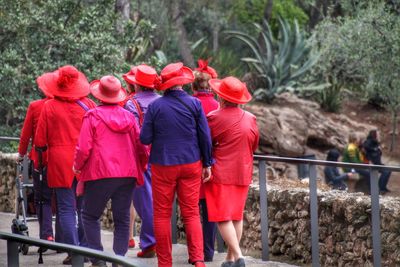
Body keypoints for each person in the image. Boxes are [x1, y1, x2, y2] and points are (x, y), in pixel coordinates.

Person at [140, 62, 213, 267]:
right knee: (191, 212)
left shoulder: (155, 106)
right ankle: (198, 259)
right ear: (182, 83)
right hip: (191, 163)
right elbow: (204, 136)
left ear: (165, 83)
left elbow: (145, 138)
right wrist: (207, 163)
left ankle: (165, 263)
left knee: (162, 214)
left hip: (163, 164)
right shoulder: (194, 104)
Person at [73, 75, 148, 267]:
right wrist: (141, 165)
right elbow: (141, 145)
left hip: (100, 173)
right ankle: (119, 259)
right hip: (127, 174)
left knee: (90, 215)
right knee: (122, 219)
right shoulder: (129, 117)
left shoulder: (92, 116)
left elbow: (83, 148)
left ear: (99, 96)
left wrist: (77, 166)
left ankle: (97, 260)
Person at [35, 65, 96, 264]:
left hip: (59, 161)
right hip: (85, 160)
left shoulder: (49, 107)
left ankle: (73, 252)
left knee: (66, 208)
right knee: (85, 208)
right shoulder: (88, 105)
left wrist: (41, 162)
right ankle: (86, 249)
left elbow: (40, 141)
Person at [204, 76, 259, 267]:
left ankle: (238, 256)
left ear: (221, 97)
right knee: (236, 215)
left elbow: (205, 144)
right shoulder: (251, 119)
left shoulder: (213, 118)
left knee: (222, 216)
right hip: (243, 171)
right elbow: (254, 144)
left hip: (221, 172)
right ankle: (229, 259)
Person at [124, 64, 160, 258]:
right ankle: (156, 241)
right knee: (158, 199)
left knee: (144, 200)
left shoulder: (130, 103)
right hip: (162, 155)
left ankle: (149, 243)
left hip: (139, 156)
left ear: (136, 84)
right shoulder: (162, 101)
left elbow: (130, 132)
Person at [18, 83, 54, 242]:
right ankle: (66, 240)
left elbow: (26, 135)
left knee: (42, 199)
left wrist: (21, 154)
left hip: (40, 159)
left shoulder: (35, 106)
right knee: (61, 201)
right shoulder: (68, 106)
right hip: (63, 161)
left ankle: (46, 235)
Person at [192, 59, 219, 262]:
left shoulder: (190, 103)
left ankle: (196, 252)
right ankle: (208, 252)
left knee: (192, 210)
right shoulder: (218, 106)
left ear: (193, 85)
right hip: (212, 163)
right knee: (209, 210)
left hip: (192, 161)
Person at [122, 66, 138, 249]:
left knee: (129, 197)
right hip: (149, 153)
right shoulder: (154, 100)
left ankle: (129, 235)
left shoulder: (126, 102)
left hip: (129, 154)